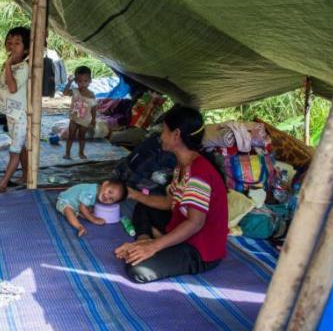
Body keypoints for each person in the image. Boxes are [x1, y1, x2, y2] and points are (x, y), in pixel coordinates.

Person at [114, 105, 228, 284]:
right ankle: (144, 240)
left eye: (164, 131)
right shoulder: (183, 165)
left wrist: (154, 247)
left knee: (138, 269)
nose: (161, 136)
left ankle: (154, 243)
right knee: (144, 204)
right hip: (181, 227)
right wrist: (134, 194)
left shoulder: (199, 173)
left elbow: (196, 223)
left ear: (176, 135)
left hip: (198, 249)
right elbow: (171, 202)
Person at [0, 27, 30, 194]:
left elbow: (12, 87)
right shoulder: (10, 63)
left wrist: (8, 64)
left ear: (26, 49)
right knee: (21, 146)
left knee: (14, 150)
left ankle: (2, 184)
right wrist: (8, 64)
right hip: (11, 113)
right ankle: (25, 176)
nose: (12, 46)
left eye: (17, 43)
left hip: (20, 115)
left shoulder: (23, 67)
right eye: (10, 42)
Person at [57, 180, 128, 237]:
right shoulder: (91, 192)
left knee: (89, 210)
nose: (107, 196)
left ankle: (80, 214)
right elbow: (82, 207)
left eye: (111, 199)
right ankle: (79, 226)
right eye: (110, 192)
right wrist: (93, 219)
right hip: (65, 201)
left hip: (77, 205)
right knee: (69, 211)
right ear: (105, 184)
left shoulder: (99, 191)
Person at [63, 66, 97, 159]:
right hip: (74, 119)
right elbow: (65, 93)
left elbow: (94, 108)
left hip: (85, 120)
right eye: (79, 81)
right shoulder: (74, 91)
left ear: (90, 81)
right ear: (76, 81)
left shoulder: (91, 94)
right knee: (71, 136)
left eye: (85, 81)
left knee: (82, 137)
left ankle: (81, 153)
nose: (82, 84)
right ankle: (67, 153)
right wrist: (69, 82)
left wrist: (93, 120)